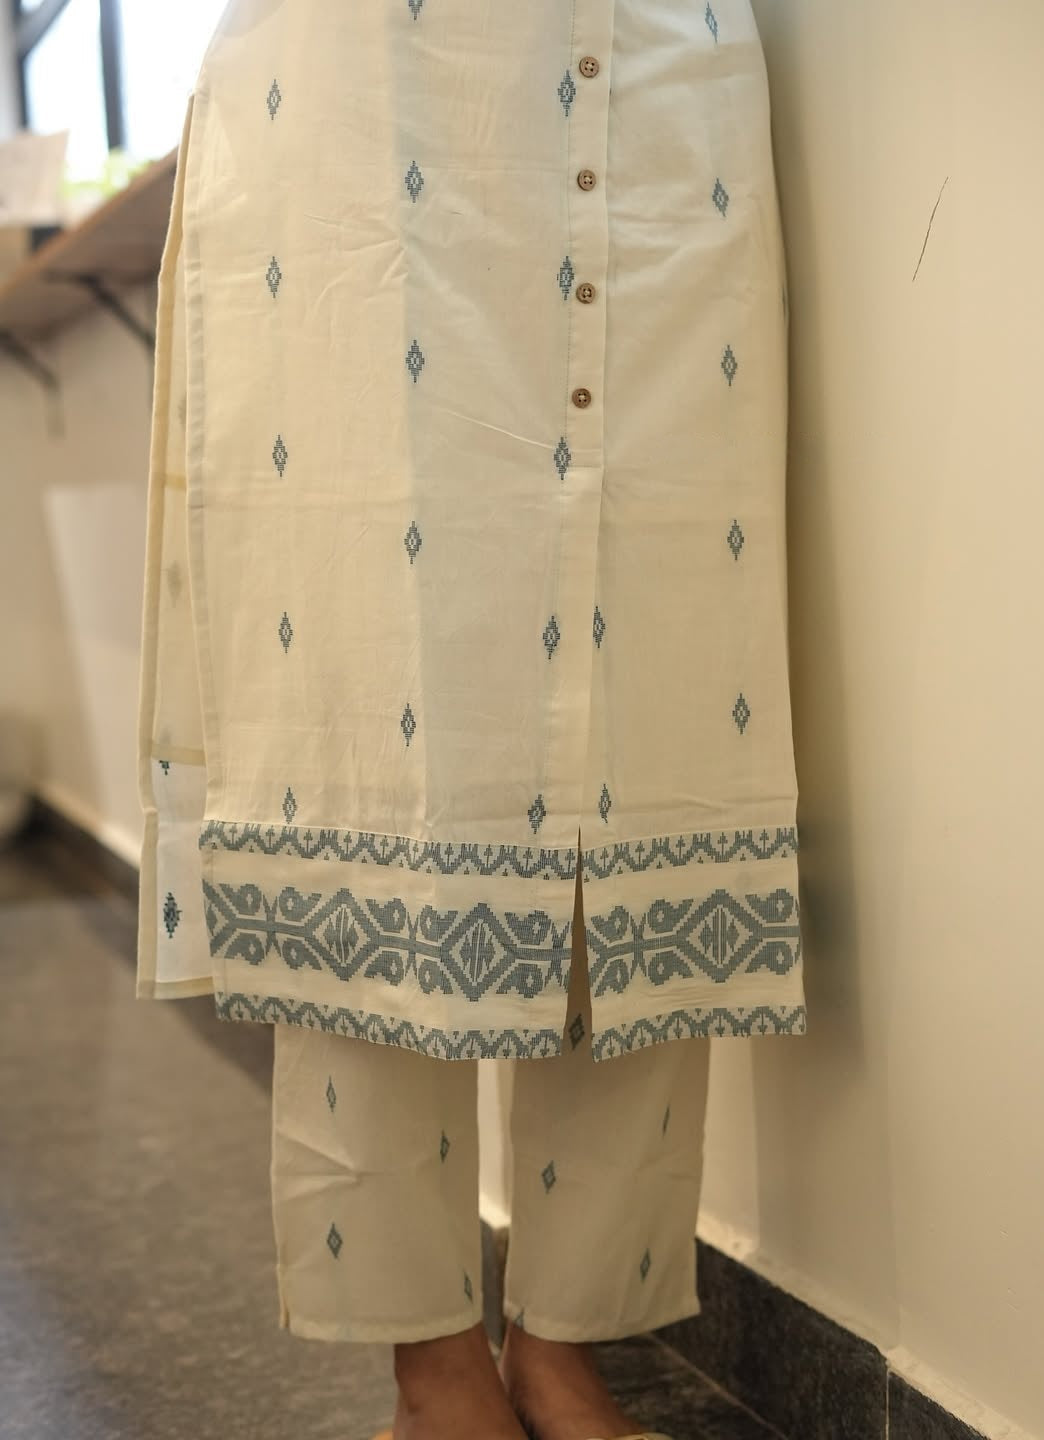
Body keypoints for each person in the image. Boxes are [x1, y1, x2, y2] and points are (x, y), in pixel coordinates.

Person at [134, 2, 805, 1436]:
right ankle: (433, 1365)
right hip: (366, 75)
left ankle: (570, 1340)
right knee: (369, 743)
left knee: (646, 718)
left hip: (651, 65)